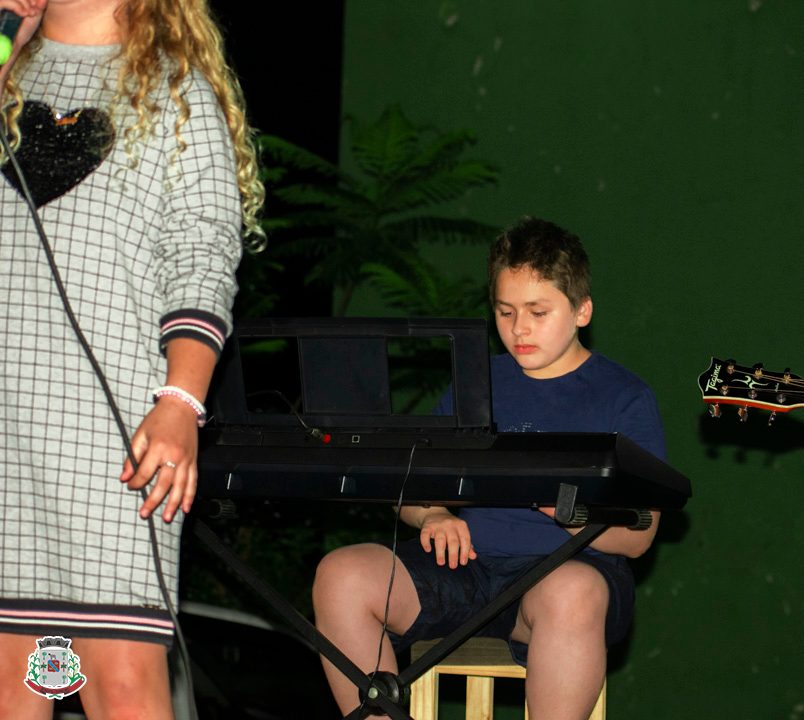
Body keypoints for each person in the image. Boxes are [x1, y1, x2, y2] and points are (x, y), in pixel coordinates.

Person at [0, 0, 262, 717]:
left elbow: (202, 256)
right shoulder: (4, 72)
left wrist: (182, 401)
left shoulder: (173, 90)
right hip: (4, 437)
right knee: (11, 679)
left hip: (111, 440)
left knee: (120, 677)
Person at [313, 217, 667, 719]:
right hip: (465, 572)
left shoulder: (624, 397)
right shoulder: (476, 383)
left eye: (538, 312)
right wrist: (433, 516)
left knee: (574, 590)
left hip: (557, 582)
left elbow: (639, 535)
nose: (519, 328)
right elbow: (412, 490)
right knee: (341, 573)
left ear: (582, 310)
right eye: (505, 312)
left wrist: (565, 511)